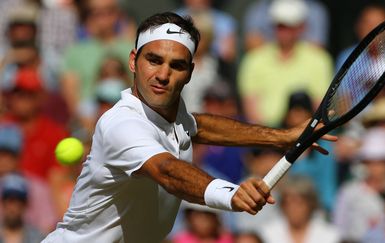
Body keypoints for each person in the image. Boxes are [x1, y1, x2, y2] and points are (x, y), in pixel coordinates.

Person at [42, 12, 337, 242]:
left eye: (177, 66)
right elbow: (168, 171)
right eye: (153, 60)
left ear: (190, 72)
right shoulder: (120, 125)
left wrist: (280, 137)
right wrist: (230, 194)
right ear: (133, 61)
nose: (163, 75)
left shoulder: (171, 111)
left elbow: (197, 125)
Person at [238, 0, 333, 127]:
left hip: (307, 132)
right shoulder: (254, 59)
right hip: (266, 133)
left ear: (301, 27)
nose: (284, 31)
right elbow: (251, 110)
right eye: (280, 26)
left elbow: (320, 105)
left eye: (290, 26)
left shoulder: (320, 59)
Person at [333, 127, 385, 242]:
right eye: (372, 161)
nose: (377, 167)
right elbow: (338, 229)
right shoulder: (349, 192)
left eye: (382, 162)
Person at [260, 175, 340, 243]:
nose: (293, 209)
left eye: (299, 203)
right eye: (288, 203)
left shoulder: (330, 236)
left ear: (310, 205)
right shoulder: (266, 235)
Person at [0, 173, 46, 243]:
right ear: (3, 203)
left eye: (18, 201)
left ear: (25, 205)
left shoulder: (38, 238)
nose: (12, 207)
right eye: (10, 201)